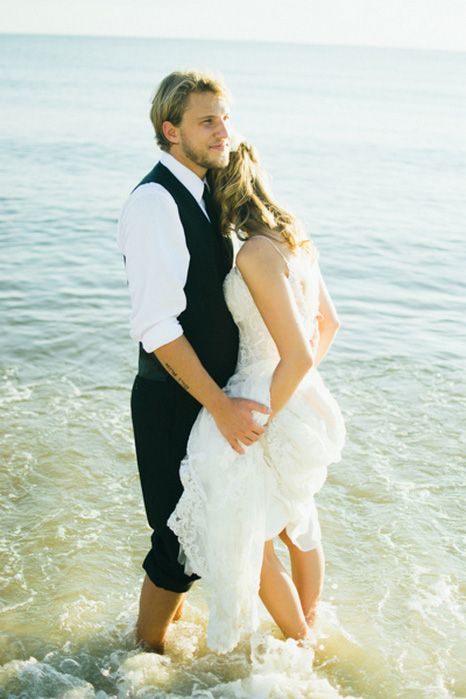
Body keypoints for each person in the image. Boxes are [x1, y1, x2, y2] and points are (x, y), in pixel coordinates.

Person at [168, 141, 346, 654]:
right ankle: (308, 633)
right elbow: (327, 325)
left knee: (252, 536)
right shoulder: (297, 239)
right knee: (298, 521)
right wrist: (302, 386)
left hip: (260, 398)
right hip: (299, 395)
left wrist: (264, 413)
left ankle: (300, 643)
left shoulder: (253, 252)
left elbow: (295, 353)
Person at [117, 71, 271, 654]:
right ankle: (143, 658)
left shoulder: (207, 191)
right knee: (176, 542)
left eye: (225, 118)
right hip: (172, 398)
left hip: (208, 394)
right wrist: (223, 406)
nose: (223, 131)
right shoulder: (155, 202)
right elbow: (157, 328)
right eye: (208, 121)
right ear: (170, 129)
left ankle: (162, 639)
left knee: (203, 531)